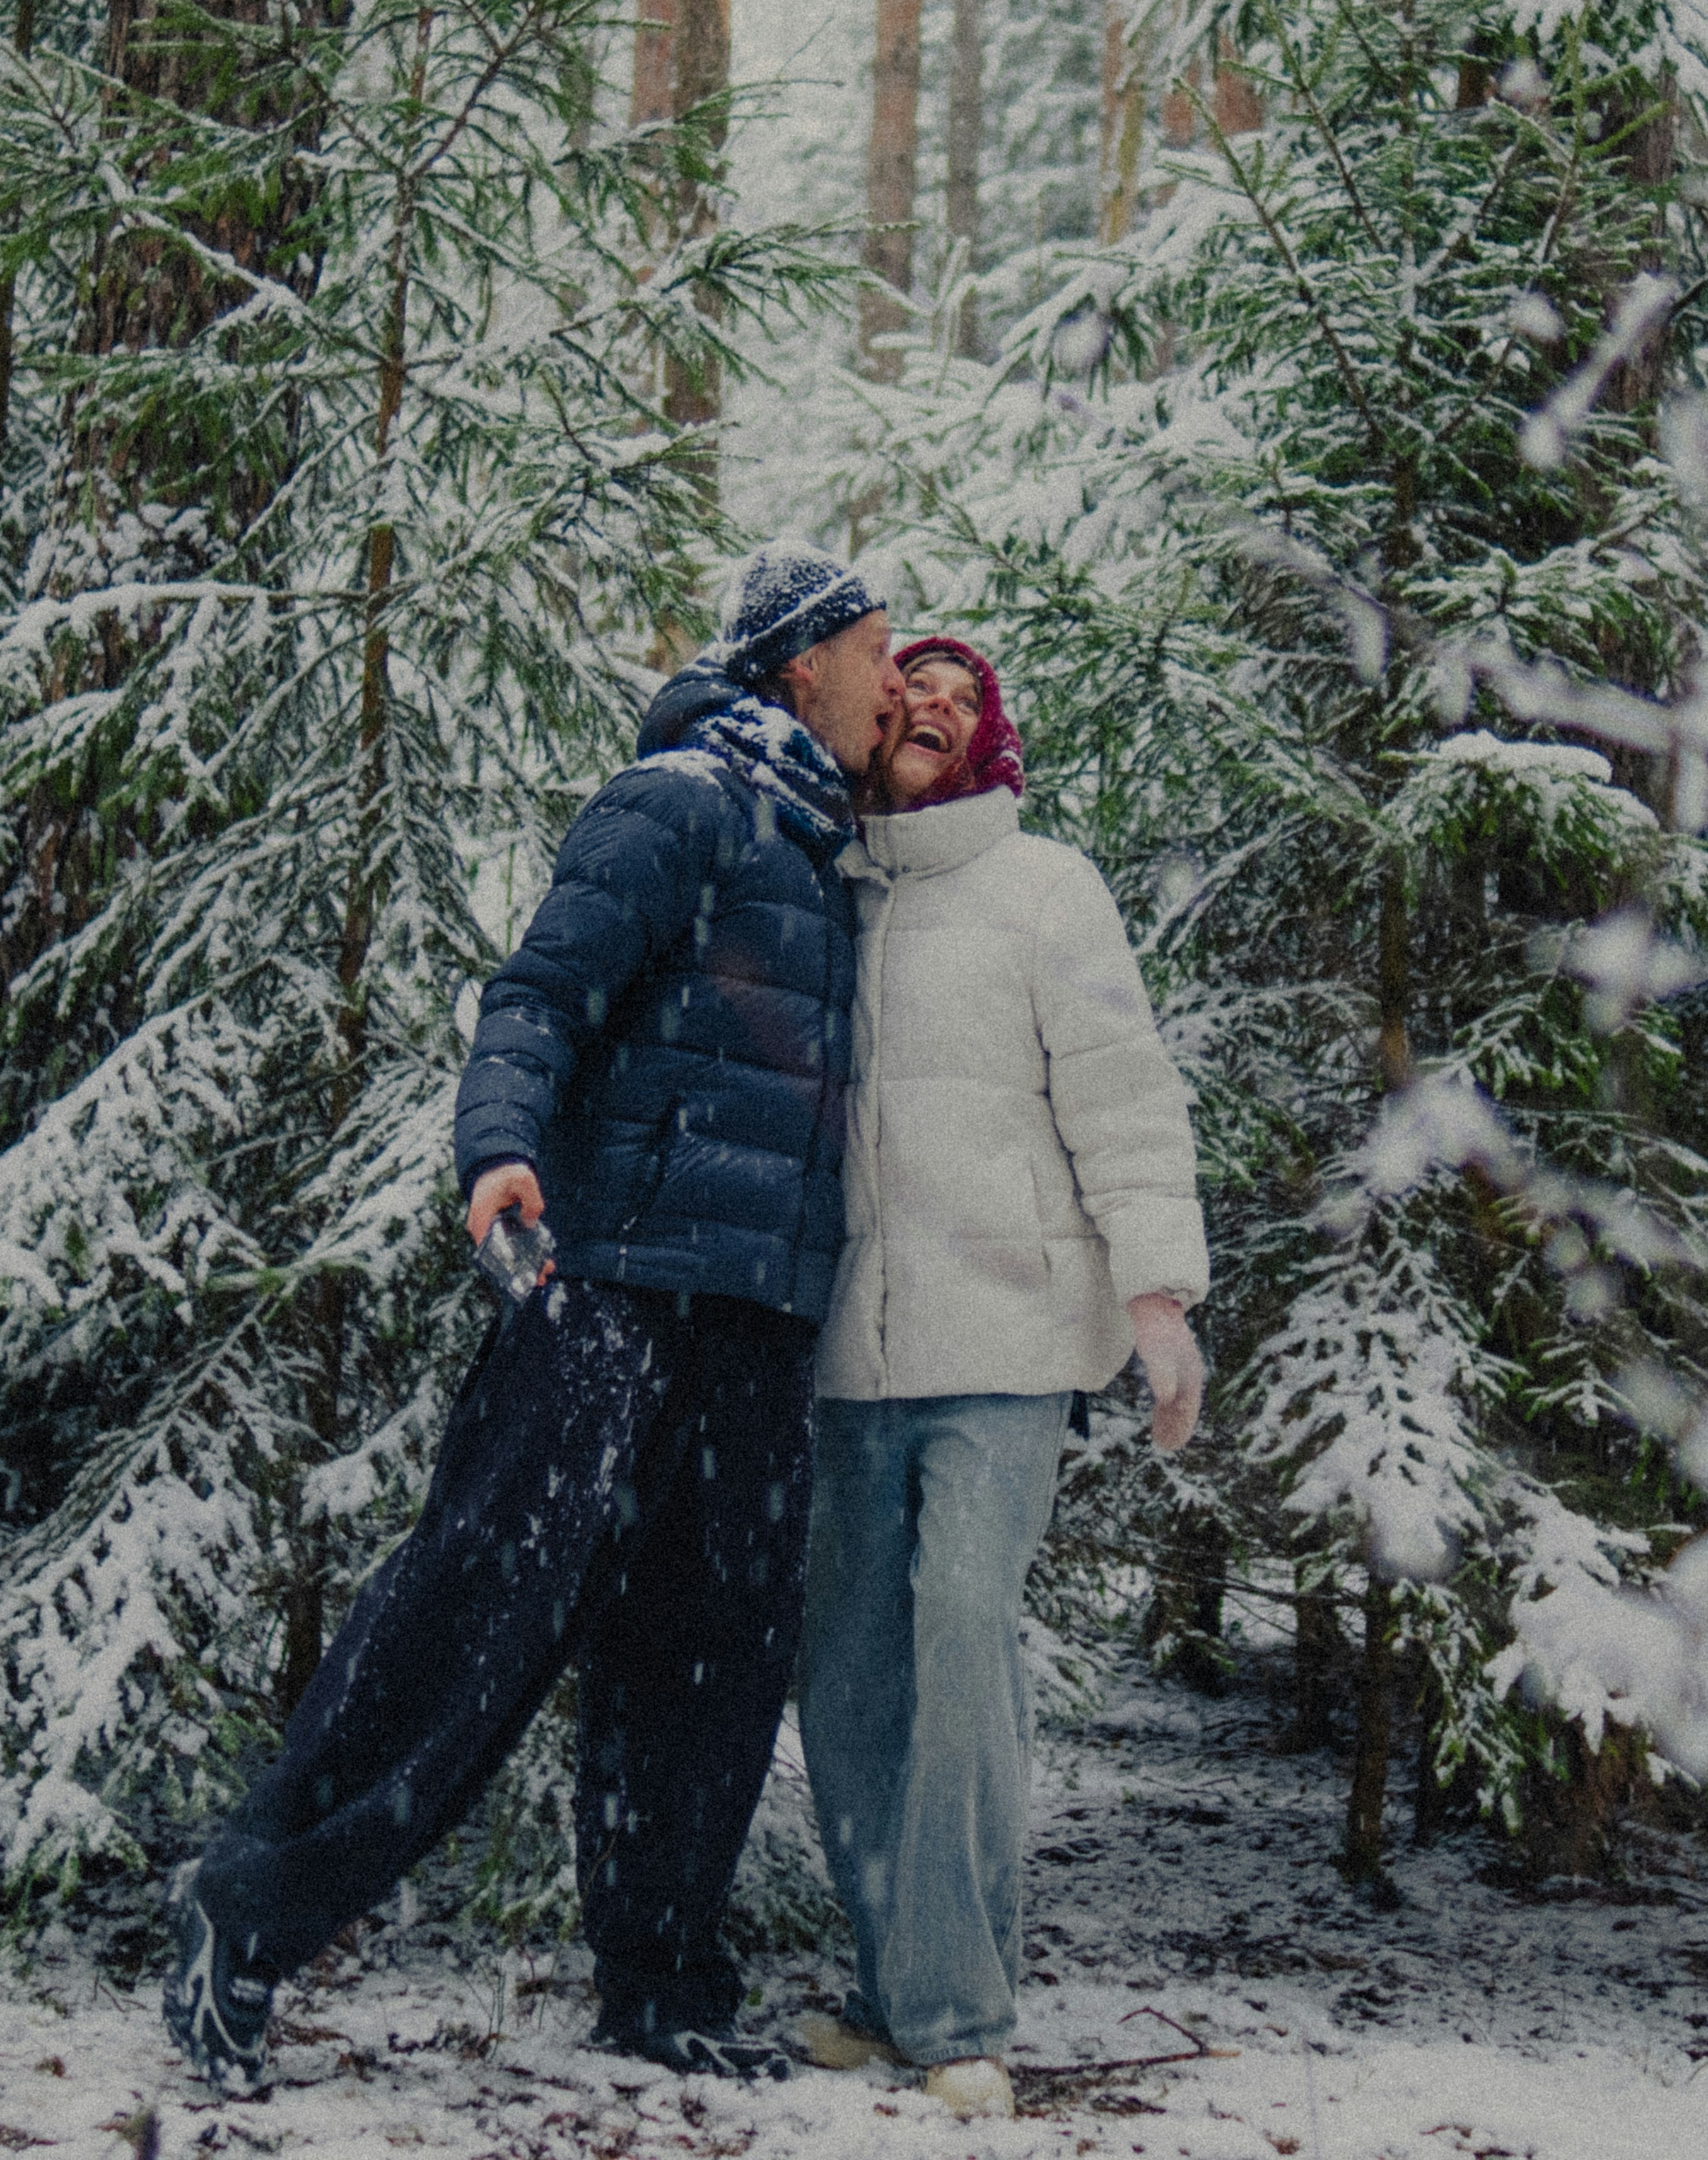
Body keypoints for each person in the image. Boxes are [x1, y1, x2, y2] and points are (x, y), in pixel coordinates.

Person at [163, 542, 903, 2096]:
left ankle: (661, 1977)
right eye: (879, 654)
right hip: (613, 1288)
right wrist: (501, 1148)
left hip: (754, 1320)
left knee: (710, 1660)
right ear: (800, 667)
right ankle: (243, 1918)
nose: (898, 683)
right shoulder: (679, 805)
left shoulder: (837, 854)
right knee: (474, 1620)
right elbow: (538, 996)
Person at [790, 635, 1208, 2121]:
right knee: (844, 1673)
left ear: (994, 740)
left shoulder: (1048, 887)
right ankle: (886, 1984)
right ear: (876, 712)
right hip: (848, 1346)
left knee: (962, 1635)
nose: (938, 712)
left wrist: (1155, 1294)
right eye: (917, 690)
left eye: (969, 701)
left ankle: (959, 2008)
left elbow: (1124, 1094)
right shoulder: (820, 878)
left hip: (1010, 1342)